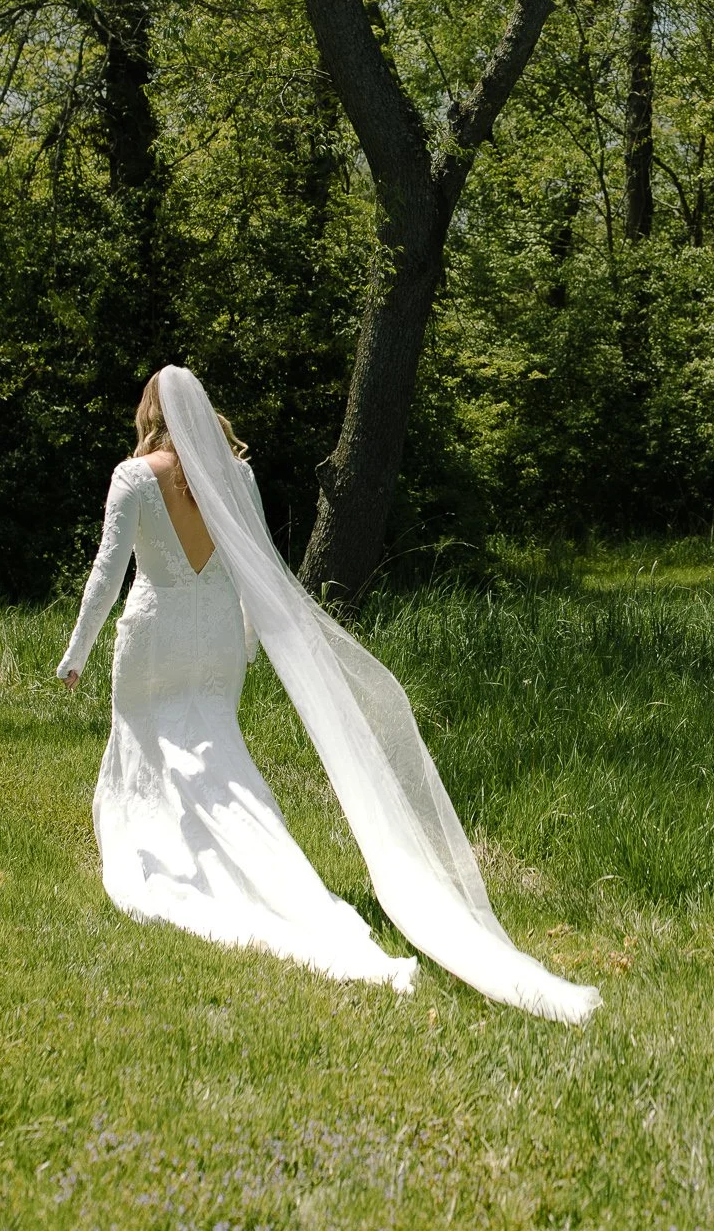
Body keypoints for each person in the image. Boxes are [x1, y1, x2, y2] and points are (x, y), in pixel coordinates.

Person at [56, 367, 600, 1022]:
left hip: (155, 634)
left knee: (149, 738)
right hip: (218, 635)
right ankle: (256, 858)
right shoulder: (237, 474)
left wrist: (76, 652)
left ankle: (174, 855)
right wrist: (249, 640)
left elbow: (106, 573)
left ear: (149, 414)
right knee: (217, 751)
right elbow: (257, 566)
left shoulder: (134, 477)